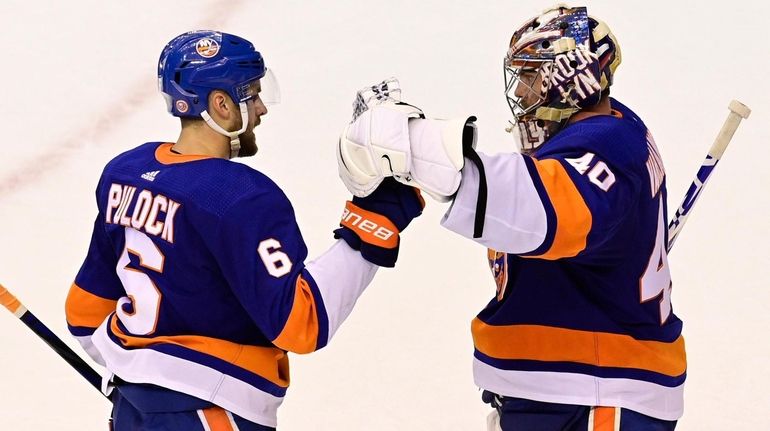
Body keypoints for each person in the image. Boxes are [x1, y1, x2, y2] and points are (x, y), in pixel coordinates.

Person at [337, 5, 685, 431]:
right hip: (570, 392)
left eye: (531, 76)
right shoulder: (609, 131)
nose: (521, 92)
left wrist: (411, 143)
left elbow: (537, 209)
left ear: (569, 76)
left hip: (596, 394)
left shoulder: (605, 144)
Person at [64, 30, 423, 431]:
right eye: (251, 94)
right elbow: (301, 324)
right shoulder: (240, 197)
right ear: (220, 105)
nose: (263, 108)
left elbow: (83, 313)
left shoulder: (125, 174)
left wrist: (143, 379)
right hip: (212, 416)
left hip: (132, 412)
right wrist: (376, 221)